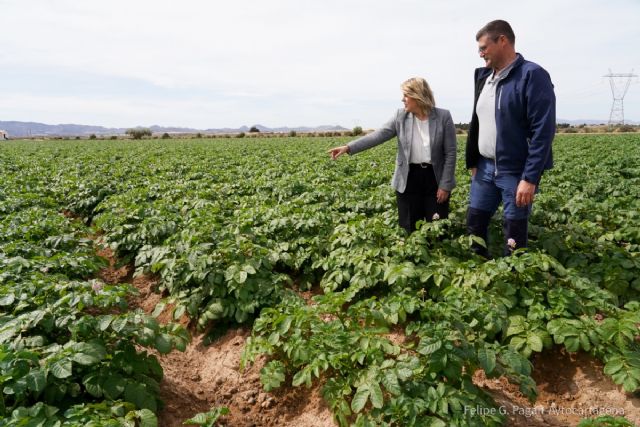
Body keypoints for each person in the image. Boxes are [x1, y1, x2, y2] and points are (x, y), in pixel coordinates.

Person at [465, 19, 556, 257]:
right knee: (475, 222)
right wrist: (473, 160)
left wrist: (530, 177)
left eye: (484, 48)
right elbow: (477, 122)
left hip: (515, 170)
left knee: (514, 232)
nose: (481, 54)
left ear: (502, 40)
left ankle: (514, 278)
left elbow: (543, 131)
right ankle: (478, 273)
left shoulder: (532, 75)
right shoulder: (484, 77)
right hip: (484, 167)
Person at [328, 77, 457, 234]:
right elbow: (378, 135)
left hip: (435, 178)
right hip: (408, 178)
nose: (403, 99)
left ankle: (437, 256)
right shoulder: (400, 116)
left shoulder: (443, 117)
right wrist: (349, 147)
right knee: (409, 227)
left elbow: (450, 153)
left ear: (418, 95)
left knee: (437, 228)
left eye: (406, 95)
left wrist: (445, 184)